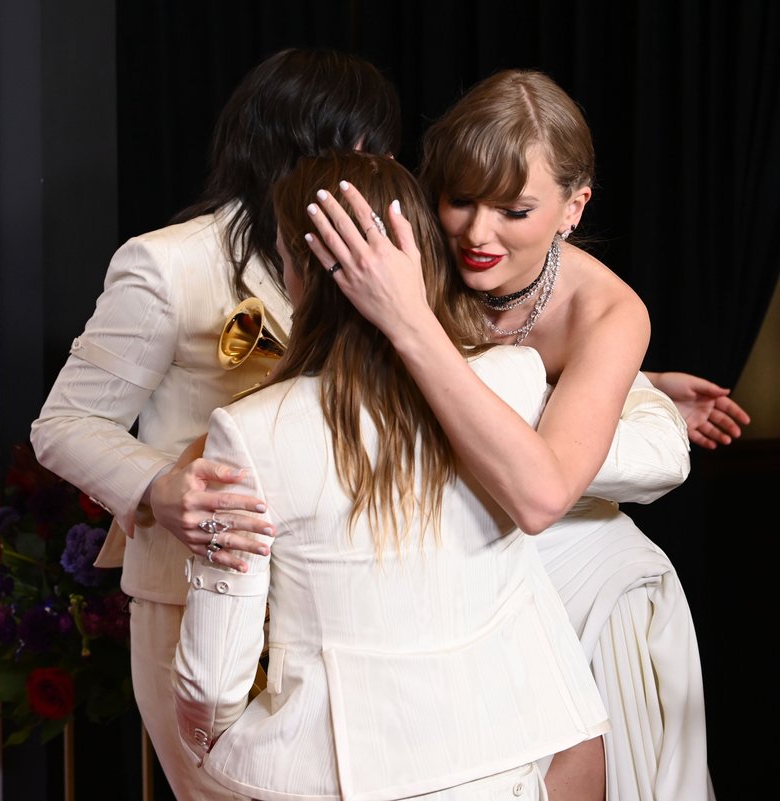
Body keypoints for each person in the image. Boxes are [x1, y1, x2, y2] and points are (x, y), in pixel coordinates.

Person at [303, 70, 734, 801]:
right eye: (461, 199)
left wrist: (410, 319)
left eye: (515, 209)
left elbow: (542, 494)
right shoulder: (416, 250)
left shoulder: (608, 311)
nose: (477, 233)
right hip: (448, 581)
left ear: (574, 206)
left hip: (581, 580)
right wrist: (640, 384)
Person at [172, 150, 610, 801]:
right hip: (500, 763)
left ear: (296, 270)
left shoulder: (252, 430)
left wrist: (206, 738)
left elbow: (211, 679)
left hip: (327, 773)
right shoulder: (517, 379)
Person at [29, 48, 402, 801]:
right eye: (357, 145)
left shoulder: (374, 257)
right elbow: (63, 421)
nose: (375, 167)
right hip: (193, 598)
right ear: (293, 144)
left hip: (333, 603)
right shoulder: (167, 264)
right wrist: (159, 486)